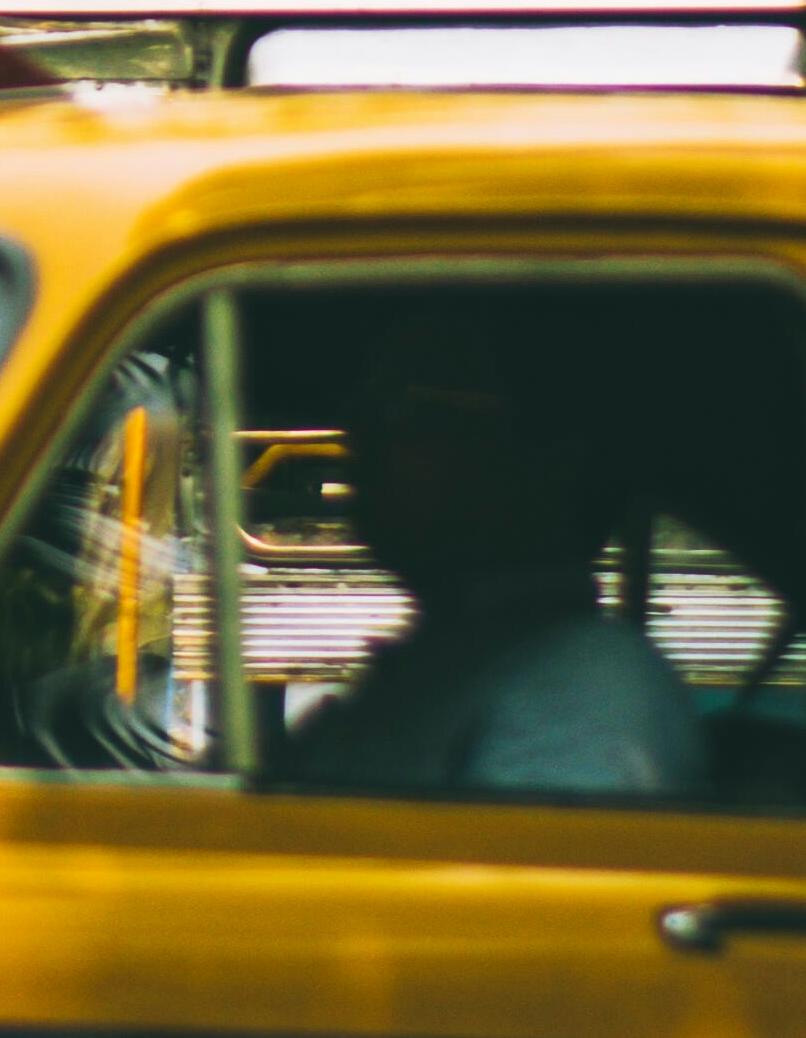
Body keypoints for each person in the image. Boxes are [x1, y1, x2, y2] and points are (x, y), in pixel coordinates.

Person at [259, 318, 705, 799]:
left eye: (407, 408)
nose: (359, 433)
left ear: (544, 459)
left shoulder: (584, 693)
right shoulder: (446, 659)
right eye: (367, 402)